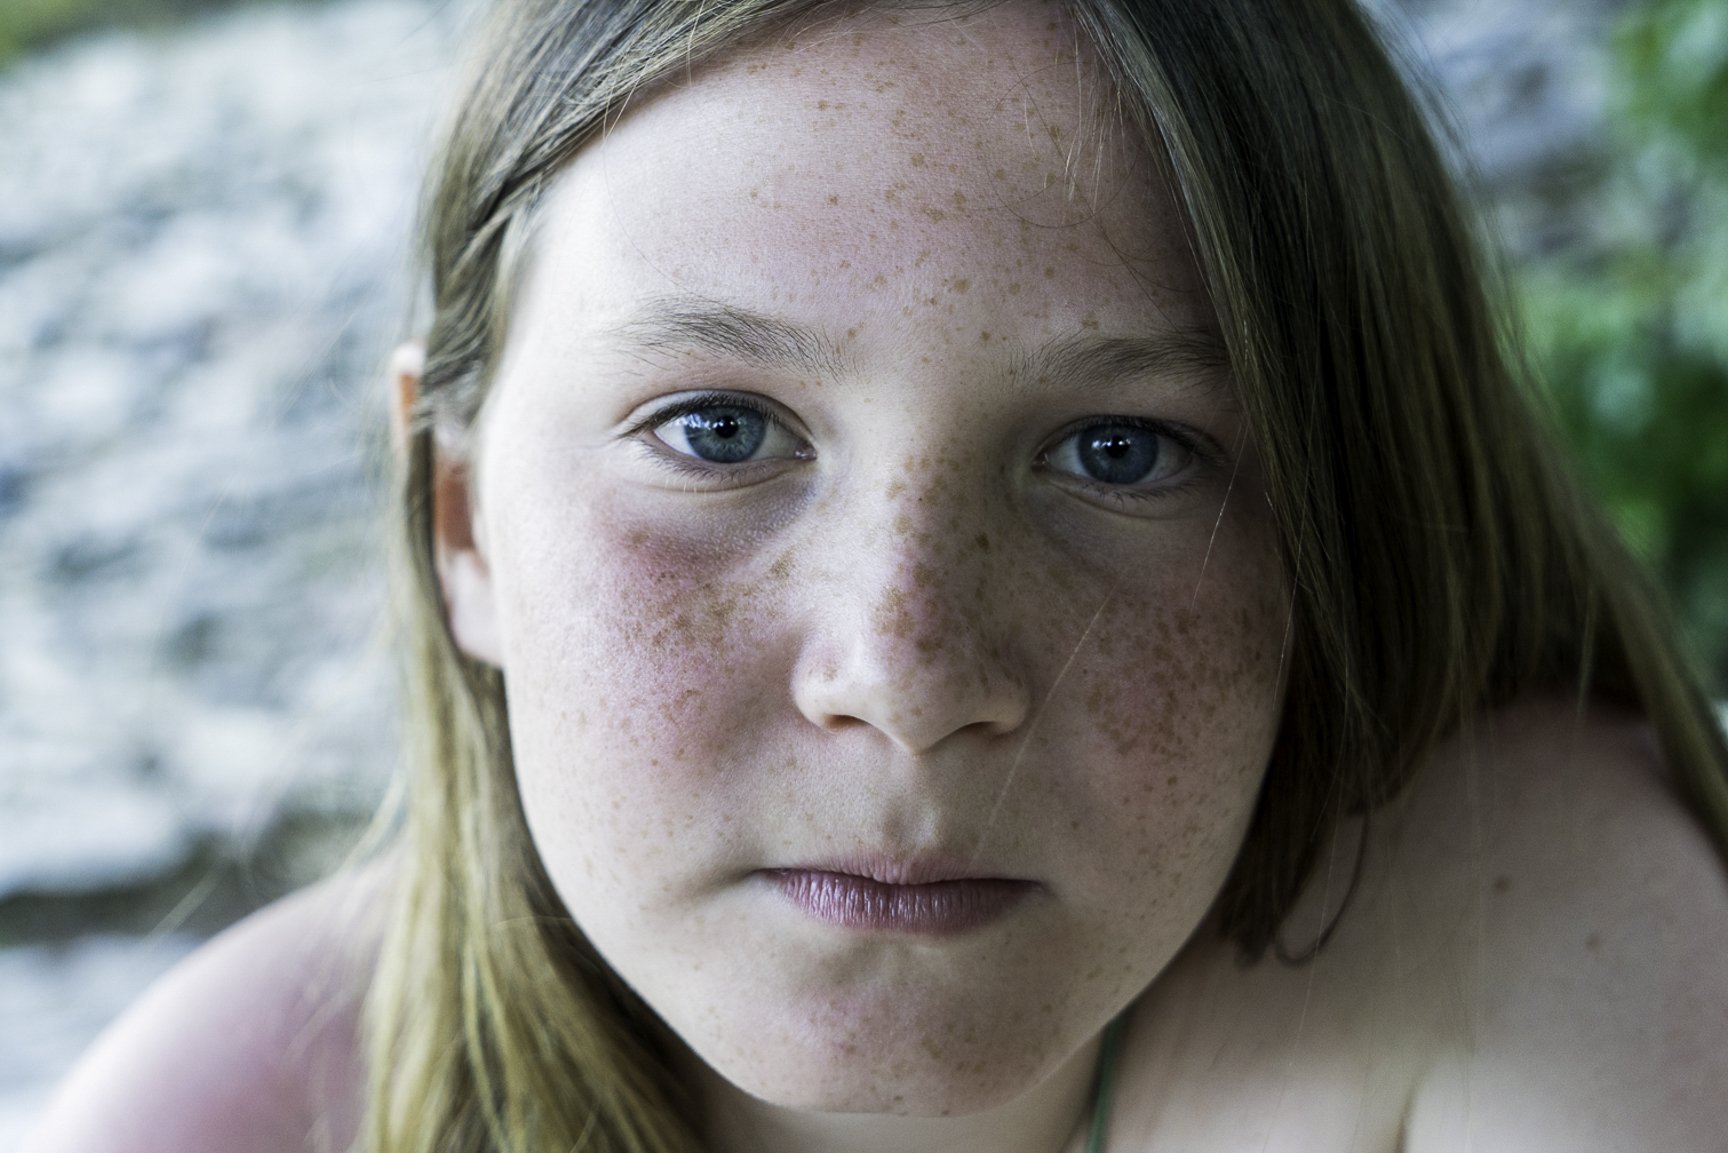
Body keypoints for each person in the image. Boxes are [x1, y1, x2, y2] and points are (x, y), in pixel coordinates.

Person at [25, 0, 1728, 1150]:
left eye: (1120, 451)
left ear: (1337, 528)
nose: (906, 673)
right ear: (461, 518)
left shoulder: (1517, 917)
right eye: (717, 430)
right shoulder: (228, 1116)